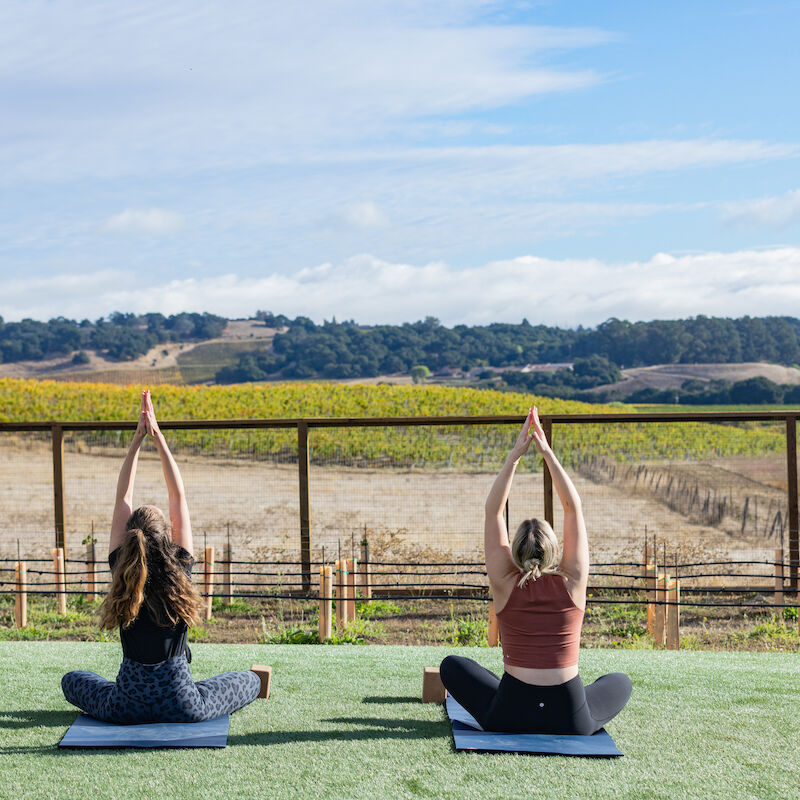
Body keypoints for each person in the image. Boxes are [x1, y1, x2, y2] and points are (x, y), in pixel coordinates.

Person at [61, 390, 261, 724]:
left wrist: (137, 440)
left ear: (129, 536)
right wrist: (158, 437)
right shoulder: (180, 566)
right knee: (250, 680)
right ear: (166, 532)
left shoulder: (121, 567)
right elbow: (177, 494)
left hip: (125, 707)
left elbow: (122, 495)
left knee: (71, 680)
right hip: (183, 705)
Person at [440, 407, 632, 735]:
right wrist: (546, 452)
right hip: (570, 717)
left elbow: (493, 511)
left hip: (509, 715)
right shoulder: (573, 580)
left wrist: (516, 455)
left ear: (514, 551)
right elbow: (573, 508)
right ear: (554, 550)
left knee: (452, 666)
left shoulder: (504, 582)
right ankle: (574, 704)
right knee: (619, 681)